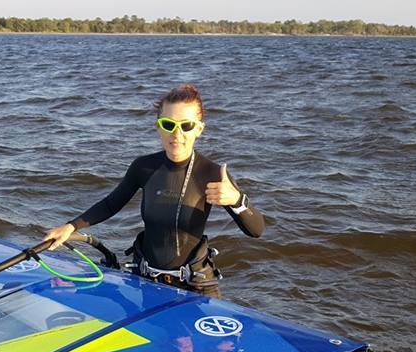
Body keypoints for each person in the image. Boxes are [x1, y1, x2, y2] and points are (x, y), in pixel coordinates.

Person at [44, 84, 263, 298]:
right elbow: (111, 204)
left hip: (196, 285)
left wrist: (236, 200)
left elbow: (256, 230)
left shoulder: (212, 173)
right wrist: (70, 227)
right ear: (158, 127)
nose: (176, 133)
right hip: (146, 280)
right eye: (168, 124)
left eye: (186, 126)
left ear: (199, 129)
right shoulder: (144, 167)